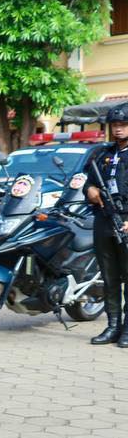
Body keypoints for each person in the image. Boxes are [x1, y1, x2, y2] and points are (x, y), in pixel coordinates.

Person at [86, 102, 128, 347]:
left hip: (126, 221)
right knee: (109, 277)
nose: (118, 129)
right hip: (103, 220)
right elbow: (87, 180)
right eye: (115, 125)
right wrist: (90, 189)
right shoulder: (103, 153)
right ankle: (113, 326)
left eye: (123, 124)